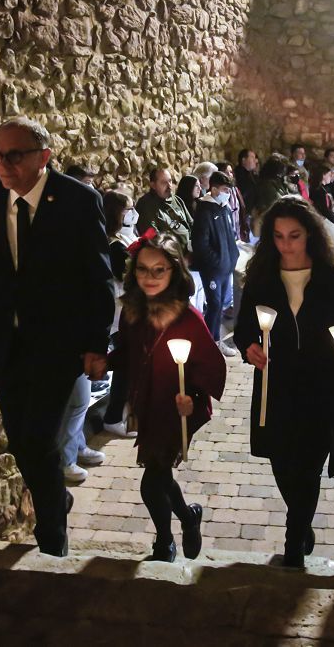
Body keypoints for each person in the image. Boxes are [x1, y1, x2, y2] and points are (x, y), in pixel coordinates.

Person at [0, 116, 115, 557]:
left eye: (14, 155)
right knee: (21, 442)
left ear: (44, 156)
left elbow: (97, 277)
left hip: (58, 343)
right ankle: (57, 498)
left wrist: (98, 343)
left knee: (40, 440)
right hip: (7, 341)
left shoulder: (78, 201)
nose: (4, 164)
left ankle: (52, 536)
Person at [233, 197, 334, 568]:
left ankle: (293, 542)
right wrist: (249, 348)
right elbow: (243, 330)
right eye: (278, 236)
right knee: (283, 464)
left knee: (308, 466)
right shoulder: (262, 278)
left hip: (322, 386)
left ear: (311, 235)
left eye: (294, 236)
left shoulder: (331, 278)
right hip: (278, 386)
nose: (286, 244)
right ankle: (302, 522)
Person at [107, 233, 226, 562]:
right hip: (148, 402)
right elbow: (131, 353)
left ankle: (164, 544)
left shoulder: (187, 318)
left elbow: (213, 366)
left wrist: (194, 394)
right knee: (161, 474)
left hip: (178, 409)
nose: (150, 277)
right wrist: (107, 361)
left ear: (174, 272)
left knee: (151, 481)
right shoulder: (133, 312)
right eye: (143, 270)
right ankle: (189, 517)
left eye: (159, 270)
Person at [100, 190, 140, 439]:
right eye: (128, 209)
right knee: (125, 364)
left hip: (124, 307)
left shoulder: (120, 238)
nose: (132, 214)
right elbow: (123, 274)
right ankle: (113, 416)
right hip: (119, 309)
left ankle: (120, 412)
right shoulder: (113, 243)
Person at [191, 171, 241, 356]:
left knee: (220, 305)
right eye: (224, 189)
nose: (227, 193)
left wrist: (231, 258)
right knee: (214, 305)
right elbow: (200, 243)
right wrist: (217, 261)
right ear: (213, 189)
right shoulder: (205, 210)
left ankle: (215, 341)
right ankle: (210, 344)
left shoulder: (224, 207)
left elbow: (230, 235)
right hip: (213, 269)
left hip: (225, 267)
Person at [136, 167, 193, 251]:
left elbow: (191, 224)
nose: (169, 186)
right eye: (163, 183)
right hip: (171, 255)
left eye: (170, 181)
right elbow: (154, 239)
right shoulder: (146, 205)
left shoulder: (177, 200)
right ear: (153, 185)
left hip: (190, 249)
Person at [250, 153, 291, 237]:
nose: (284, 171)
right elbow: (273, 202)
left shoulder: (279, 182)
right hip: (268, 222)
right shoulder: (266, 184)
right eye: (282, 168)